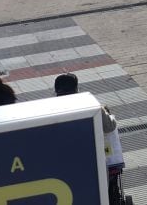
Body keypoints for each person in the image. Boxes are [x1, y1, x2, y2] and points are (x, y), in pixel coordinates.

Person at [55, 73, 128, 203]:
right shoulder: (89, 104)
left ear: (56, 90)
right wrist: (109, 115)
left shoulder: (50, 109)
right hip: (93, 163)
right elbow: (109, 126)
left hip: (62, 168)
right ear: (76, 89)